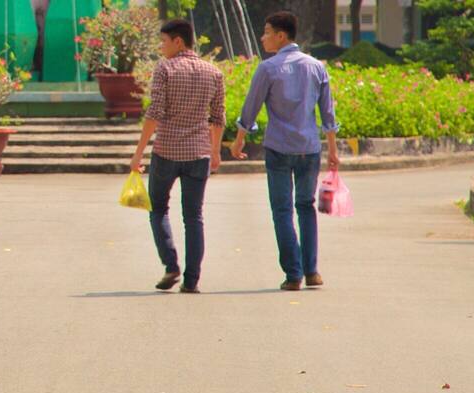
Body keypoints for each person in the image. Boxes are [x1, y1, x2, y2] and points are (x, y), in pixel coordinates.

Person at [231, 11, 343, 291]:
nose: (263, 37)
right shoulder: (316, 66)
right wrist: (331, 148)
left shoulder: (268, 68)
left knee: (282, 210)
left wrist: (240, 138)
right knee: (306, 207)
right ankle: (312, 271)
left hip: (279, 148)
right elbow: (327, 112)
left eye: (267, 32)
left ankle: (293, 274)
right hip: (309, 147)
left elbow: (251, 107)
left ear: (281, 36)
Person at [131, 19, 225, 294]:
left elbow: (154, 113)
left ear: (178, 42)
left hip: (167, 152)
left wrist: (138, 153)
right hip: (199, 153)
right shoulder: (213, 72)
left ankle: (171, 265)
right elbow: (218, 117)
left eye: (163, 42)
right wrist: (216, 151)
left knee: (157, 208)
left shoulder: (166, 69)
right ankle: (192, 279)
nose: (161, 48)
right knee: (194, 216)